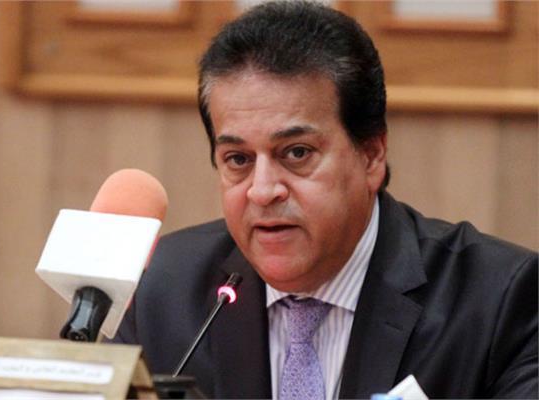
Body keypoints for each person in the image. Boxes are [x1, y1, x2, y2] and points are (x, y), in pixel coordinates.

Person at [111, 1, 538, 398]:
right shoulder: (162, 291)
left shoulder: (498, 302)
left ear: (371, 155)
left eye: (297, 153)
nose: (263, 190)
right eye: (238, 159)